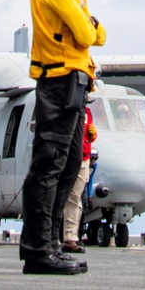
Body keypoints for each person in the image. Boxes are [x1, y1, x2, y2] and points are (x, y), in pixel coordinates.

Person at [20, 0, 106, 276]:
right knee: (49, 163)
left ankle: (52, 243)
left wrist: (91, 28)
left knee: (70, 164)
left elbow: (92, 34)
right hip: (57, 82)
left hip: (73, 82)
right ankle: (37, 250)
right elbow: (89, 35)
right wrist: (93, 26)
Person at [61, 103, 98, 253]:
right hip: (71, 158)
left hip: (84, 159)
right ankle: (69, 237)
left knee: (76, 199)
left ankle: (72, 236)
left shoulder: (87, 112)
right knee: (73, 197)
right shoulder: (69, 110)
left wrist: (93, 135)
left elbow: (89, 137)